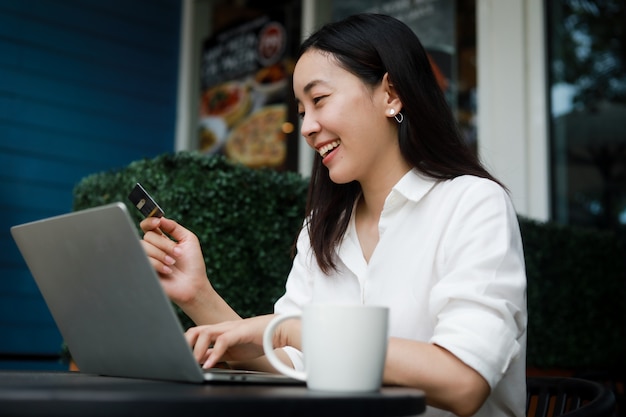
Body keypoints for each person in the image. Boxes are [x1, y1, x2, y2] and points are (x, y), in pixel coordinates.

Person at [140, 13, 527, 417]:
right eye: (301, 110)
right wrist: (197, 294)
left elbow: (462, 382)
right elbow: (288, 365)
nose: (306, 127)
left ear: (391, 94)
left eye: (319, 100)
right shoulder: (323, 230)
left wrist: (294, 331)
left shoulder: (472, 204)